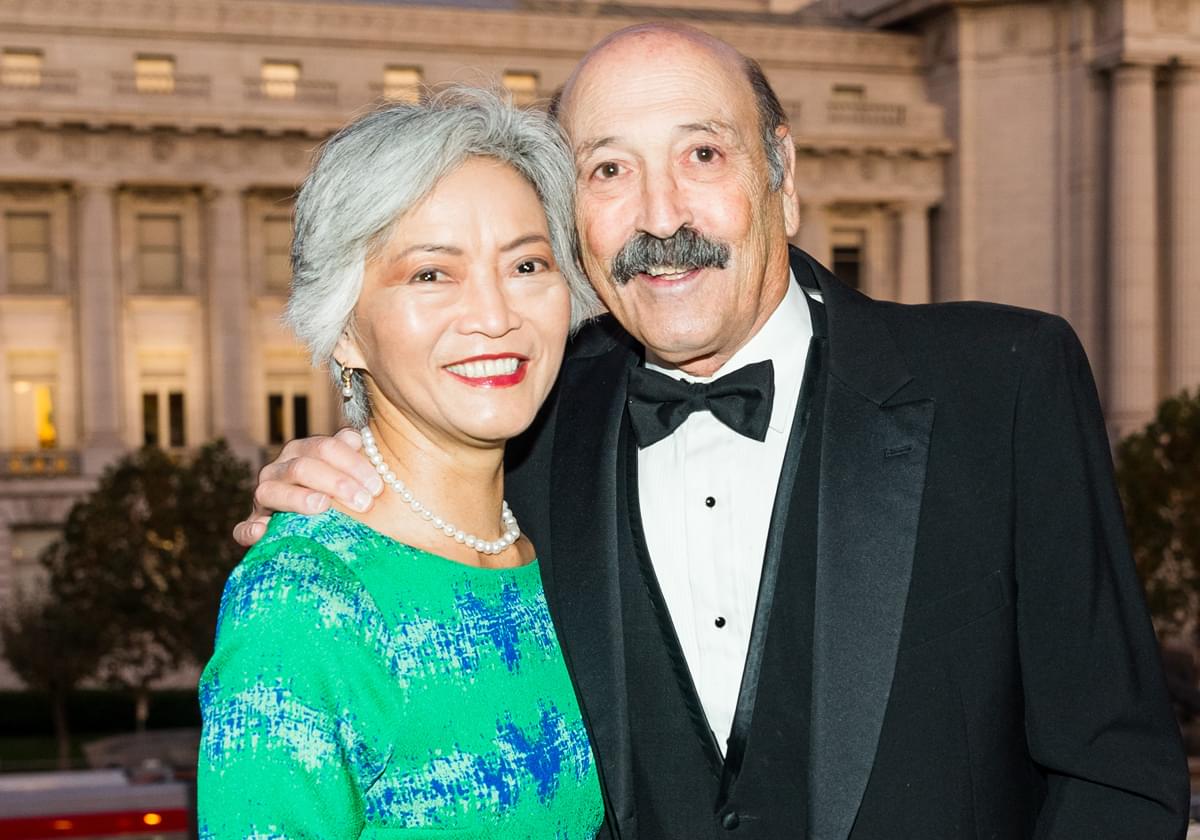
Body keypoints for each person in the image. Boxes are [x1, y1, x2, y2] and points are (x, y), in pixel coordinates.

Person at [234, 24, 1190, 840]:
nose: (661, 216)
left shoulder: (1002, 385)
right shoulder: (524, 423)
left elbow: (1117, 772)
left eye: (702, 155)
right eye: (609, 170)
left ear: (782, 175)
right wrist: (330, 471)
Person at [198, 87, 604, 838]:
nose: (495, 316)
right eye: (430, 274)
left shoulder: (566, 537)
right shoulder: (307, 597)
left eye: (527, 264)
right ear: (344, 330)